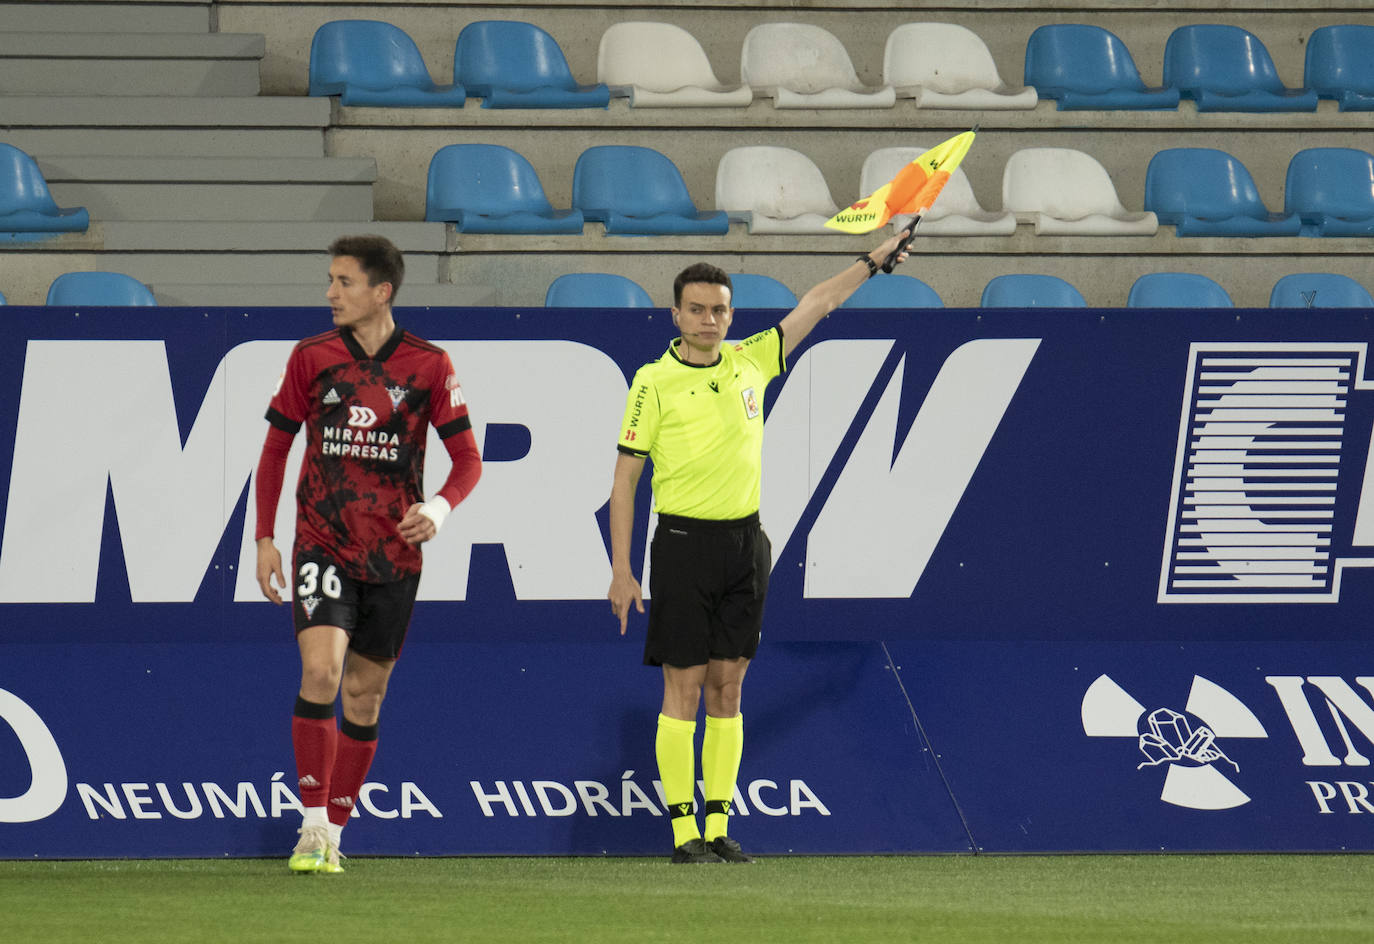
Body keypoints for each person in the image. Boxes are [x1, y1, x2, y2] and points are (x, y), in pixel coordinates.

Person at [607, 230, 913, 864]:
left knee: (729, 687)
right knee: (683, 689)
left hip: (746, 545)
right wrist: (622, 569)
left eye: (719, 309)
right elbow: (625, 478)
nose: (709, 320)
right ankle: (683, 833)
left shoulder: (752, 360)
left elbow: (820, 301)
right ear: (676, 315)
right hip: (683, 546)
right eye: (697, 309)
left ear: (730, 315)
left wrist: (871, 262)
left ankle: (718, 828)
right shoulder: (653, 382)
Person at [254, 234, 482, 873]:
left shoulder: (430, 365)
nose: (330, 293)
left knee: (364, 695)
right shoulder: (312, 357)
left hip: (394, 556)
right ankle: (311, 826)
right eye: (330, 280)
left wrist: (437, 508)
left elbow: (467, 460)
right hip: (321, 540)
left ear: (381, 291)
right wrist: (265, 538)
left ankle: (336, 832)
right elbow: (275, 451)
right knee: (322, 673)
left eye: (343, 282)